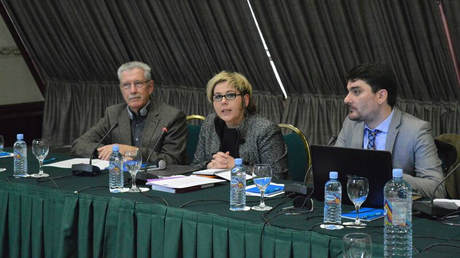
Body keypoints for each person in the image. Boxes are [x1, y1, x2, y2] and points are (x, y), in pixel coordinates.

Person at [335, 63, 445, 198]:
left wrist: (391, 177)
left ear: (381, 96)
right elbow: (335, 171)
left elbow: (436, 188)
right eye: (348, 91)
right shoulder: (350, 124)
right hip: (356, 207)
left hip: (395, 212)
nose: (346, 99)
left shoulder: (416, 130)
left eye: (356, 92)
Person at [72, 61, 187, 165]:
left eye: (138, 84)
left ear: (150, 87)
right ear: (121, 89)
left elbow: (172, 159)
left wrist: (131, 152)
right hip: (119, 179)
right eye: (126, 85)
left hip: (154, 181)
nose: (132, 91)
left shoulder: (171, 116)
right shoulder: (113, 113)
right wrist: (110, 152)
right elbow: (79, 145)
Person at [192, 71, 288, 179]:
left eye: (230, 95)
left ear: (245, 100)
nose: (223, 101)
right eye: (218, 96)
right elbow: (195, 165)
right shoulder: (209, 123)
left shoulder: (265, 130)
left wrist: (236, 166)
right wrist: (209, 165)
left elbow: (278, 176)